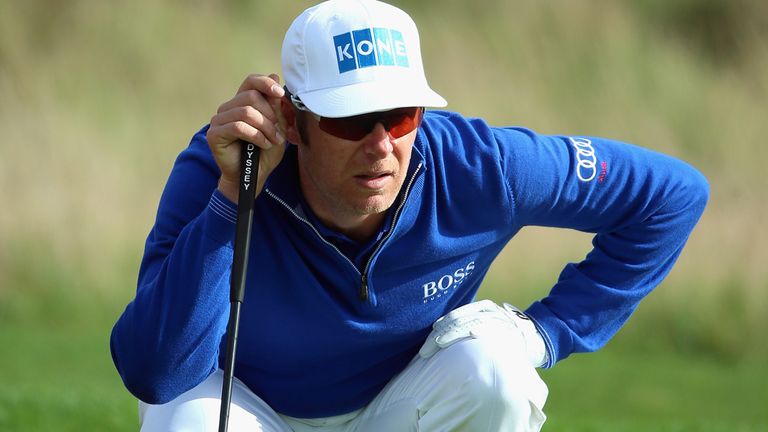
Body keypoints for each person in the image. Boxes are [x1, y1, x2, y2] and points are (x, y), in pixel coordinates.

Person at [110, 0, 709, 430]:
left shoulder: (483, 166)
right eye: (349, 120)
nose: (380, 145)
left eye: (400, 117)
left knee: (496, 370)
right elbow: (156, 372)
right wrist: (232, 200)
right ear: (292, 121)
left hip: (399, 407)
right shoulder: (226, 160)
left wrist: (545, 332)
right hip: (247, 408)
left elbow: (673, 195)